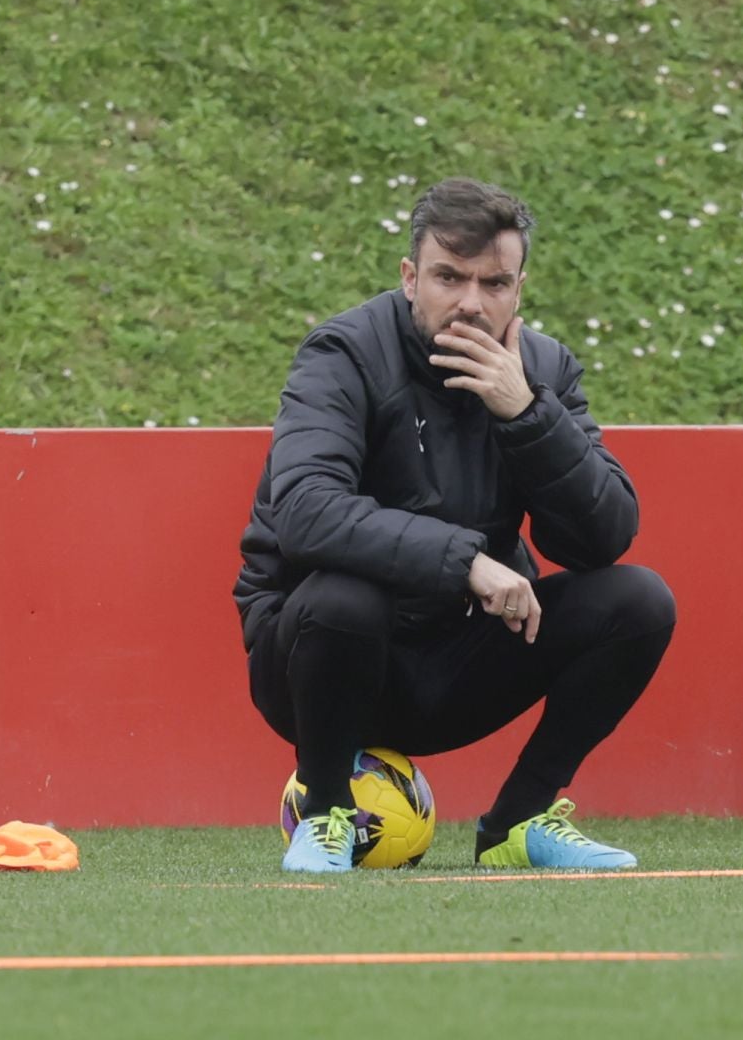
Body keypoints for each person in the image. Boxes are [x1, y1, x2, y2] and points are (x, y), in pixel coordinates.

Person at [234, 177, 677, 872]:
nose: (471, 303)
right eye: (449, 277)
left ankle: (519, 821)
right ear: (411, 278)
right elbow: (304, 510)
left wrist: (528, 414)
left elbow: (602, 536)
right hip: (319, 663)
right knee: (348, 596)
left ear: (519, 290)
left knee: (640, 602)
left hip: (458, 664)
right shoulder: (342, 355)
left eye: (494, 283)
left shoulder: (543, 370)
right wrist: (466, 561)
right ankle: (323, 814)